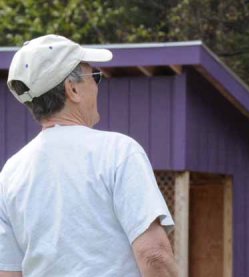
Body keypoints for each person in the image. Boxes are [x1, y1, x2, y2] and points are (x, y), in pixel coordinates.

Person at [0, 34, 178, 277]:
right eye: (94, 76)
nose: (97, 84)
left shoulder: (11, 173)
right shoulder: (118, 152)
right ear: (72, 89)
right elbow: (154, 256)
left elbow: (9, 272)